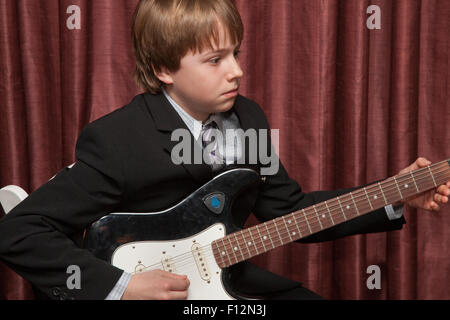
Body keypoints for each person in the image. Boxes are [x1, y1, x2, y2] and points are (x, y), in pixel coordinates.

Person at [0, 0, 449, 300]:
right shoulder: (117, 139)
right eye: (215, 60)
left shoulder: (247, 117)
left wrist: (394, 193)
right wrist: (124, 286)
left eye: (235, 53)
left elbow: (291, 211)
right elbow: (18, 232)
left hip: (225, 280)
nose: (236, 71)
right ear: (163, 69)